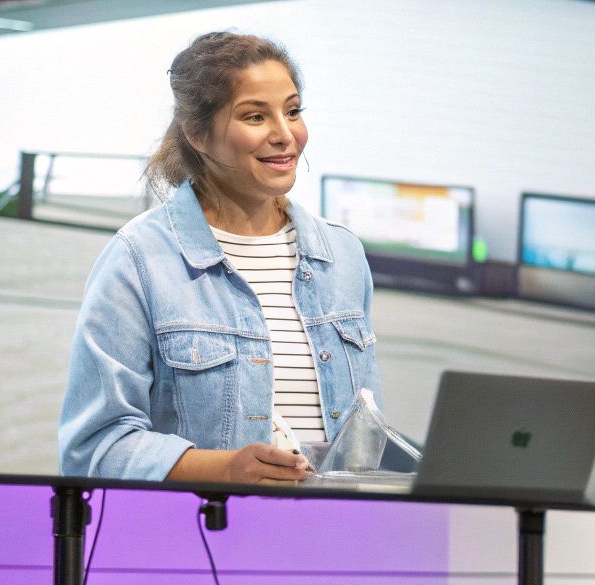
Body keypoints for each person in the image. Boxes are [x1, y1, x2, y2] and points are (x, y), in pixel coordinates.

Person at [59, 31, 378, 483]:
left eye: (292, 111)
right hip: (202, 536)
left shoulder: (343, 256)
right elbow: (94, 448)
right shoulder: (140, 259)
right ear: (197, 133)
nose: (285, 135)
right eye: (255, 116)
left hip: (332, 539)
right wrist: (223, 470)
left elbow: (367, 437)